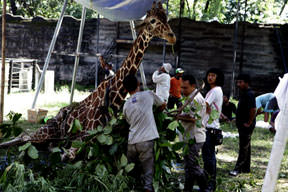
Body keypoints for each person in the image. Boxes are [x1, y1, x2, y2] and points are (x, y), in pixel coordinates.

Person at [123, 74, 166, 192]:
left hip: (131, 143)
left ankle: (132, 188)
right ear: (138, 84)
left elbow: (127, 121)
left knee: (131, 171)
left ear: (125, 90)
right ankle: (147, 188)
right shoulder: (148, 95)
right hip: (146, 141)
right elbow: (163, 104)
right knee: (148, 172)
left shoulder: (126, 104)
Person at [176, 75, 208, 192]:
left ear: (193, 86)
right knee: (189, 167)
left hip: (194, 137)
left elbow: (195, 119)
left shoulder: (196, 99)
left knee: (193, 166)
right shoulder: (189, 97)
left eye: (185, 88)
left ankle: (206, 188)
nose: (182, 90)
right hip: (187, 136)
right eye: (182, 88)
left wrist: (178, 117)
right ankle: (187, 189)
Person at [229, 74, 256, 177]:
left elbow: (253, 110)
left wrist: (249, 122)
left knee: (243, 147)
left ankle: (238, 169)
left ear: (247, 83)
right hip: (242, 124)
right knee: (246, 146)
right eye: (238, 82)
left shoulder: (249, 94)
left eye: (241, 82)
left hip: (246, 125)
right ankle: (246, 168)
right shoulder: (244, 93)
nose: (238, 84)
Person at [202, 68, 224, 192]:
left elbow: (204, 105)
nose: (210, 77)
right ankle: (208, 182)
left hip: (210, 129)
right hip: (211, 127)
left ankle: (210, 184)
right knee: (208, 157)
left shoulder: (215, 90)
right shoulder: (215, 90)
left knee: (209, 157)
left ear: (218, 77)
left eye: (213, 75)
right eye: (209, 75)